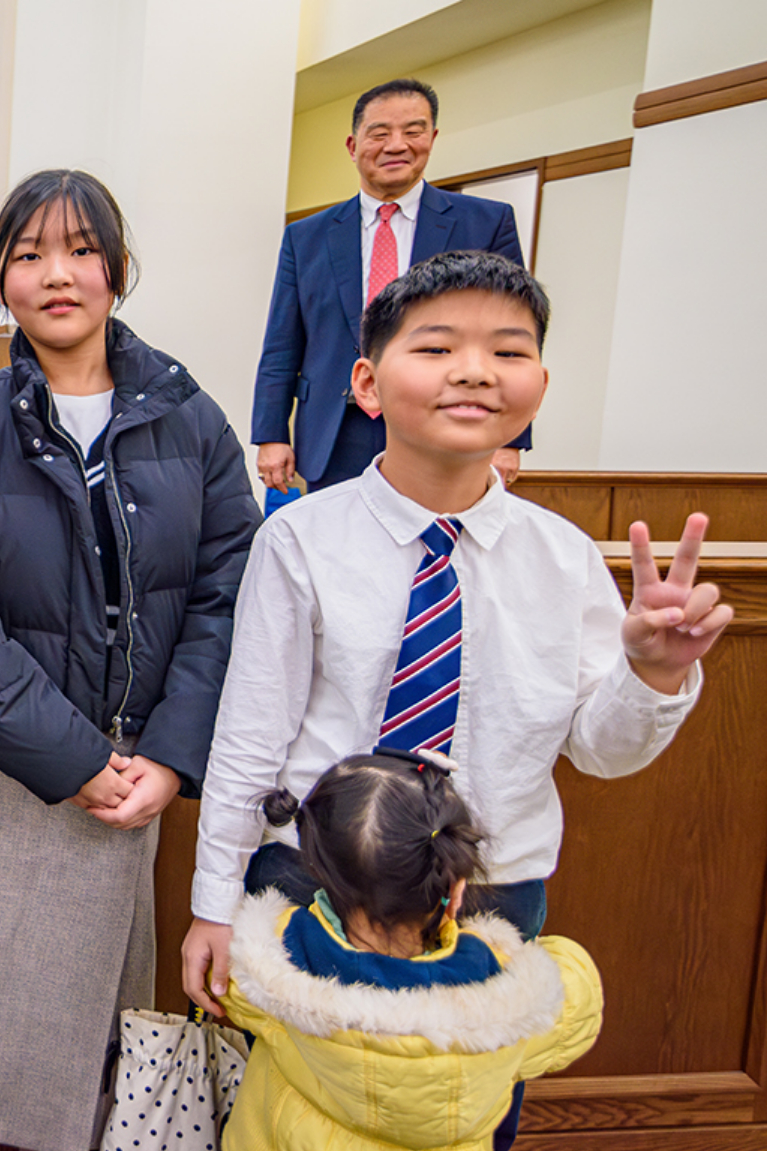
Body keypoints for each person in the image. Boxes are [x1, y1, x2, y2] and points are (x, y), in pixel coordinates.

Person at [183, 251, 729, 1140]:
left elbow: (602, 749)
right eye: (437, 347)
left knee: (469, 1119)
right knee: (296, 1111)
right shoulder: (300, 540)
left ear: (539, 386)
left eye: (508, 352)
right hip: (315, 881)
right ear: (368, 383)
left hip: (491, 893)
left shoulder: (562, 557)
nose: (475, 370)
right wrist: (214, 903)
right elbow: (251, 737)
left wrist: (653, 673)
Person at [0, 170, 261, 1151]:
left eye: (80, 250)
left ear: (117, 269)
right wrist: (67, 756)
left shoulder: (191, 418)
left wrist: (169, 756)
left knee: (79, 1049)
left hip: (127, 772)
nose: (56, 273)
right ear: (2, 280)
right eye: (29, 255)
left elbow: (225, 599)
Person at [222, 752, 603, 1151]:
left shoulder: (277, 951)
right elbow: (573, 1002)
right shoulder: (501, 980)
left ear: (318, 869)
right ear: (456, 889)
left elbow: (229, 982)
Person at [250, 78, 531, 494]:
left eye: (413, 131)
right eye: (380, 133)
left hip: (443, 418)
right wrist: (271, 434)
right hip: (335, 427)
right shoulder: (305, 237)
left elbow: (512, 335)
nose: (396, 145)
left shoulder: (486, 223)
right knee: (338, 533)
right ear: (353, 146)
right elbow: (282, 342)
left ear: (432, 138)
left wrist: (509, 439)